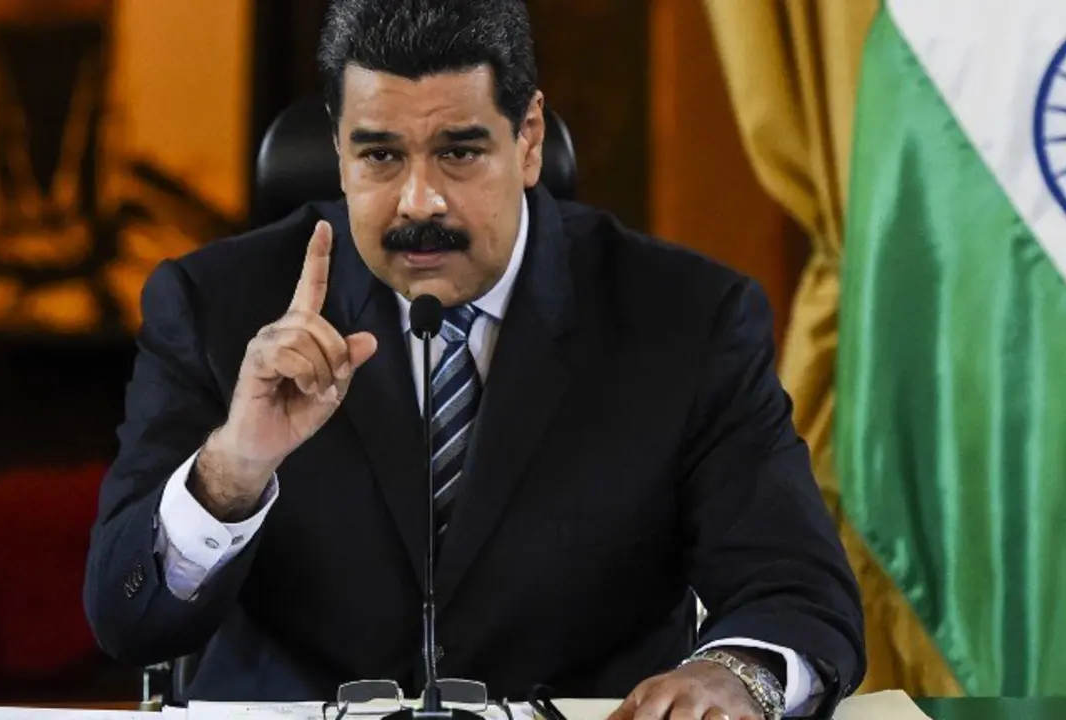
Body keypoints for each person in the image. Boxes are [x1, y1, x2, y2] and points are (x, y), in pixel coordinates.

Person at [83, 1, 866, 718]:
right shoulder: (216, 306)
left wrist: (738, 675)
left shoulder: (686, 319)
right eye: (380, 157)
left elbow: (797, 590)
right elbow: (128, 620)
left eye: (458, 153)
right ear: (336, 149)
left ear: (527, 140)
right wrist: (233, 468)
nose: (419, 201)